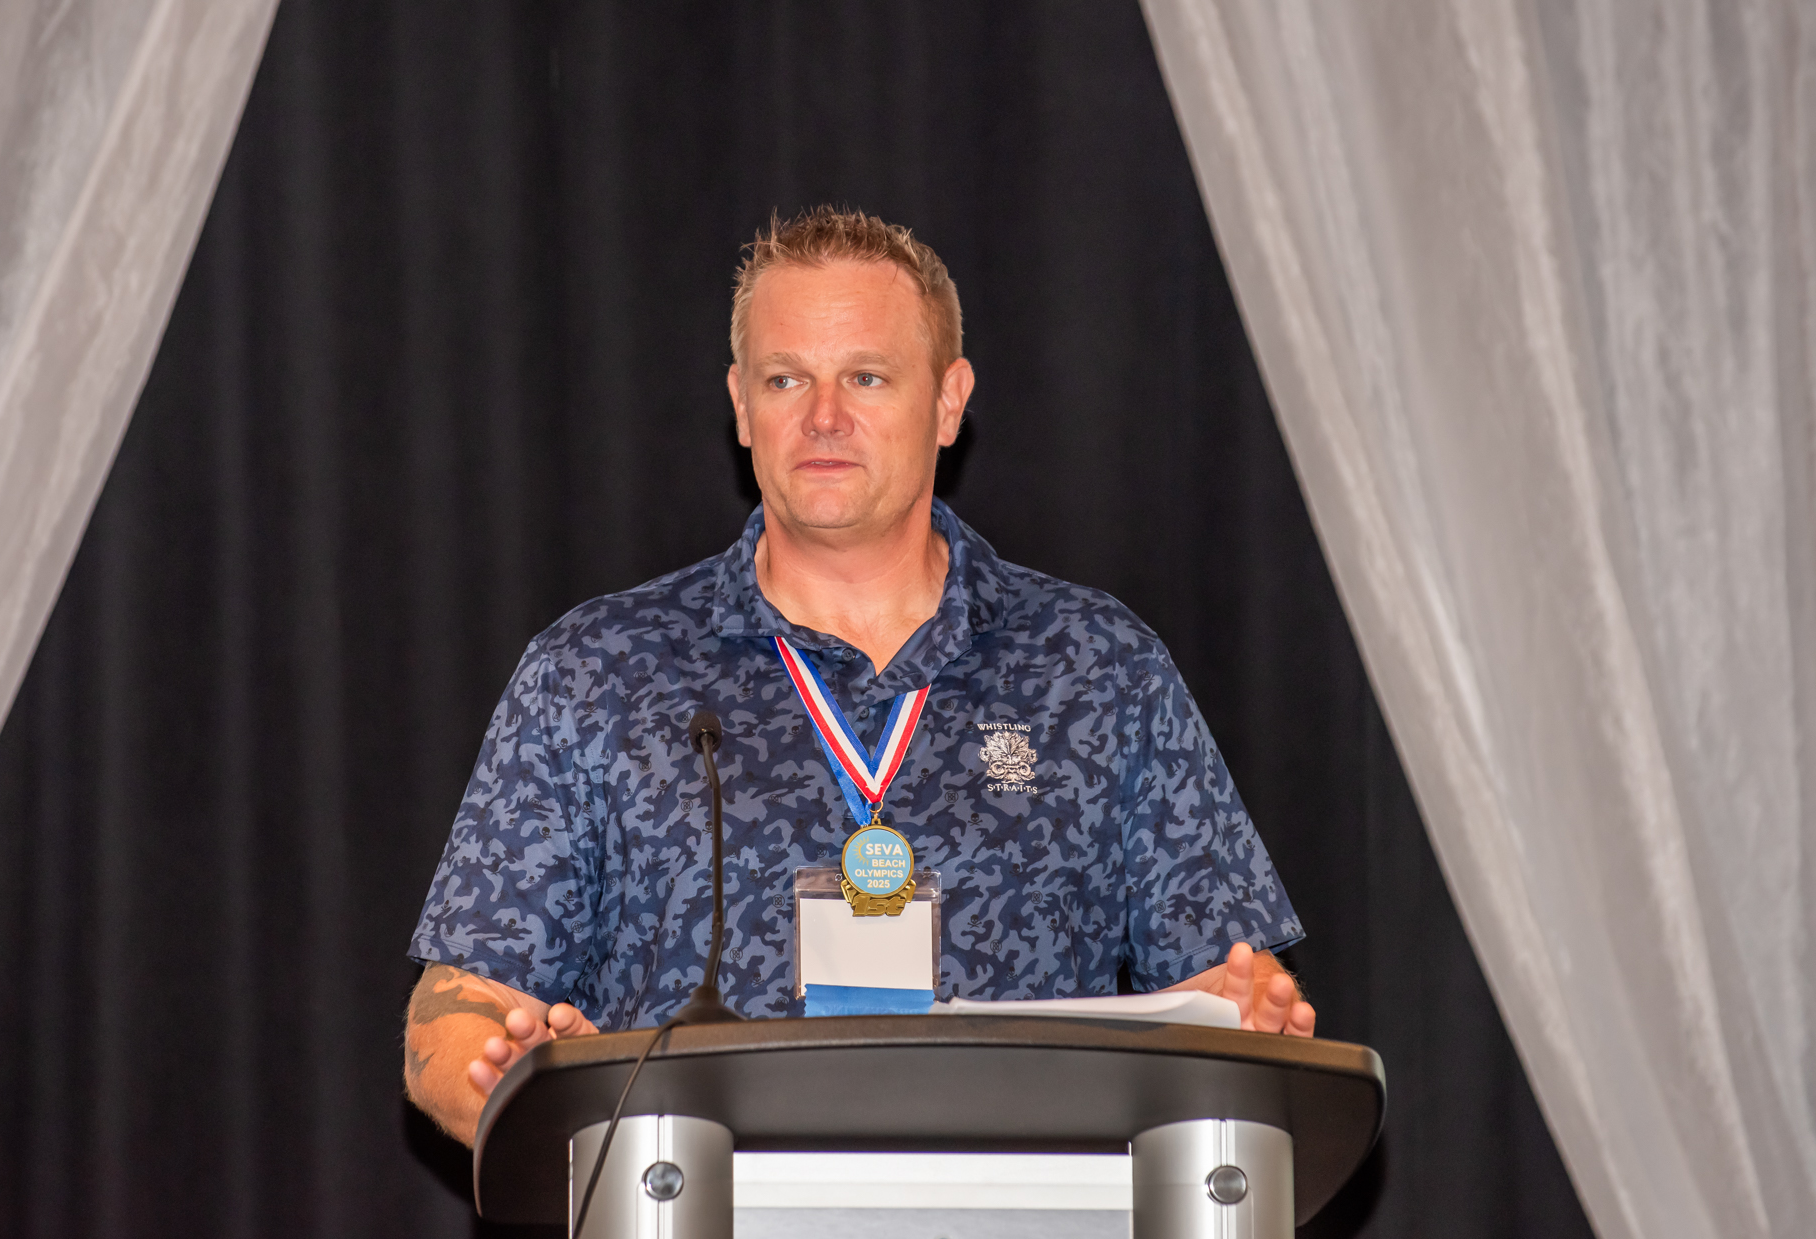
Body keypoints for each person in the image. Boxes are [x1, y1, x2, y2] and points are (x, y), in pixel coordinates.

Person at [404, 206, 1315, 1145]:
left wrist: (1250, 1014)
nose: (824, 417)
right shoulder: (596, 673)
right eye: (785, 378)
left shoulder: (1099, 667)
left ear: (950, 401)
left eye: (866, 377)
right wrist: (507, 1075)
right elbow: (452, 1017)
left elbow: (1221, 994)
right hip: (695, 1220)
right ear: (741, 405)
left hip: (1025, 1221)